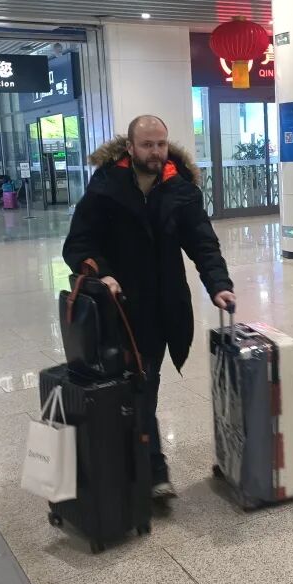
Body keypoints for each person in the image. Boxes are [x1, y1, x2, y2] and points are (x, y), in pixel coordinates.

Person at [63, 114, 236, 502]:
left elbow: (203, 243)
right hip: (116, 309)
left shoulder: (181, 190)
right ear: (130, 147)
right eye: (147, 145)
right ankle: (150, 468)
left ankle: (145, 467)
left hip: (160, 309)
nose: (156, 152)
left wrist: (219, 285)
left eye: (161, 144)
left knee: (144, 385)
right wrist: (102, 273)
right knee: (134, 389)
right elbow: (78, 244)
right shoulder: (105, 188)